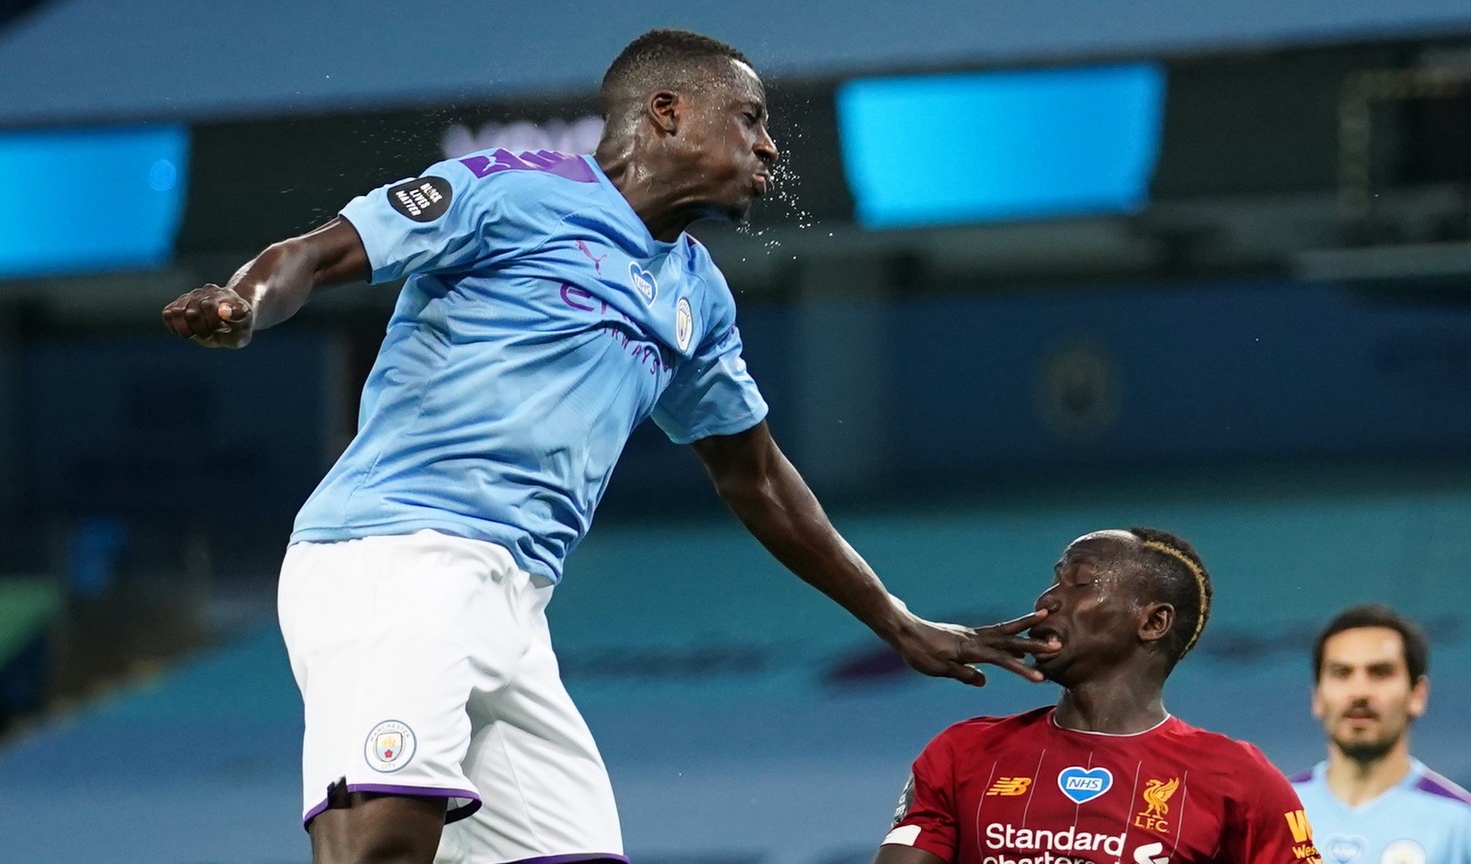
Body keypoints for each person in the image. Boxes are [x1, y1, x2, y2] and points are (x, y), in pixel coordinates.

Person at [161, 28, 1056, 864]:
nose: (770, 149)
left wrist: (892, 618)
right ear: (667, 111)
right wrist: (243, 307)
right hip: (396, 558)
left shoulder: (697, 297)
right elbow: (313, 255)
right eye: (750, 120)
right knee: (384, 845)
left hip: (516, 604)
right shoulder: (508, 189)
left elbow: (759, 480)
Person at [874, 528, 1323, 864]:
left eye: (1080, 583)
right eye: (1054, 582)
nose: (1047, 599)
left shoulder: (1237, 780)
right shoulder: (963, 754)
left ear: (1152, 623)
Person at [1291, 604, 1471, 864]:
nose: (1359, 691)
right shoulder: (1274, 809)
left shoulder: (1460, 822)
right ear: (1317, 696)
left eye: (1380, 672)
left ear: (1417, 695)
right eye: (1342, 673)